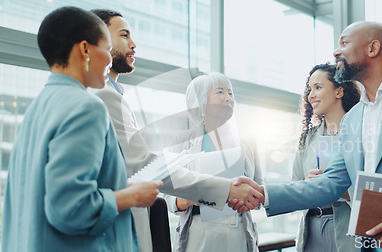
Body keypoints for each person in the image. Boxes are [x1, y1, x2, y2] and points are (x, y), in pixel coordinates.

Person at [233, 21, 382, 251]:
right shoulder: (353, 119)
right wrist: (264, 194)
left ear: (373, 48)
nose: (335, 52)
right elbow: (332, 183)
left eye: (344, 43)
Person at [90, 9, 263, 252]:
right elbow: (145, 166)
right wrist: (225, 190)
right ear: (98, 39)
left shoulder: (109, 94)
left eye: (230, 92)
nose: (133, 44)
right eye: (124, 35)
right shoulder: (104, 96)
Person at [2, 6, 162, 252]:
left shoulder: (38, 108)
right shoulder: (87, 107)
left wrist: (120, 189)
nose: (110, 60)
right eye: (107, 49)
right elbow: (69, 207)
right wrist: (132, 197)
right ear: (85, 49)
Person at [163, 72, 264, 252]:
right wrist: (185, 199)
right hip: (199, 229)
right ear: (201, 100)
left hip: (239, 228)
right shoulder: (182, 141)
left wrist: (253, 197)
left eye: (231, 93)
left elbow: (260, 185)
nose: (228, 98)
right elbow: (166, 195)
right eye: (220, 92)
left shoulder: (248, 141)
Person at [293, 63, 360, 251]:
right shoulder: (308, 138)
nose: (310, 95)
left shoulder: (360, 133)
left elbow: (372, 186)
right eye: (309, 89)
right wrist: (308, 183)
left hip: (347, 228)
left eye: (318, 87)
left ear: (339, 91)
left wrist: (338, 189)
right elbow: (295, 183)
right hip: (312, 227)